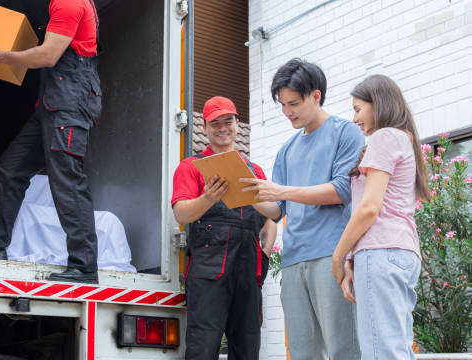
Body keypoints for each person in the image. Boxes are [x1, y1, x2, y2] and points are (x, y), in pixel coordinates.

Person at [0, 0, 102, 284]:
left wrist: (3, 56)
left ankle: (84, 267)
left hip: (69, 107)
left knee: (66, 182)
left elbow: (49, 54)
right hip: (52, 105)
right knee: (10, 169)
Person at [240, 58, 364, 359]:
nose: (287, 112)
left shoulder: (346, 133)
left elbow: (341, 190)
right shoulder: (287, 149)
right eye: (282, 105)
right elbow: (277, 210)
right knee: (301, 351)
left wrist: (282, 190)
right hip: (294, 261)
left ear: (316, 96)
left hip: (332, 255)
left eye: (293, 103)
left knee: (343, 348)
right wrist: (246, 193)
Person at [331, 75, 429, 359]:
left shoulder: (385, 137)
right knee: (395, 349)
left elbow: (369, 207)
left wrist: (338, 257)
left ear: (379, 104)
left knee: (381, 352)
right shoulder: (403, 139)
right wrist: (351, 258)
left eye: (358, 109)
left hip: (382, 253)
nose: (354, 118)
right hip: (400, 252)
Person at [172, 96, 277, 360]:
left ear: (237, 124)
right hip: (209, 271)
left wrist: (264, 251)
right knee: (202, 346)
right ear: (205, 128)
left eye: (228, 121)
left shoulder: (256, 171)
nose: (222, 128)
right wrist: (208, 197)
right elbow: (181, 213)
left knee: (248, 345)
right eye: (214, 123)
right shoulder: (191, 167)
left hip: (248, 269)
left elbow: (271, 218)